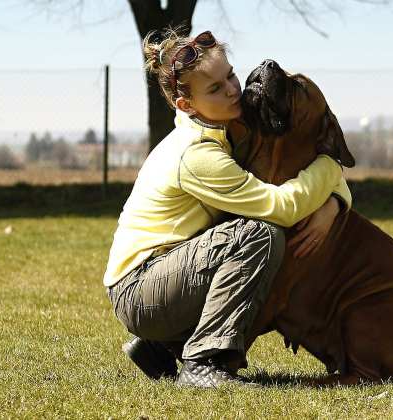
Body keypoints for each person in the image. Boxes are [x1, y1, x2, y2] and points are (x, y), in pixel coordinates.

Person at [103, 28, 351, 389]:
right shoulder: (197, 154)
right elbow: (280, 208)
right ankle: (202, 362)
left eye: (230, 75)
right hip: (140, 289)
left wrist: (335, 201)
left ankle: (161, 348)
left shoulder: (224, 124)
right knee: (258, 235)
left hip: (164, 274)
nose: (233, 89)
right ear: (186, 105)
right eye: (216, 89)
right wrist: (331, 168)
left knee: (249, 232)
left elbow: (296, 166)